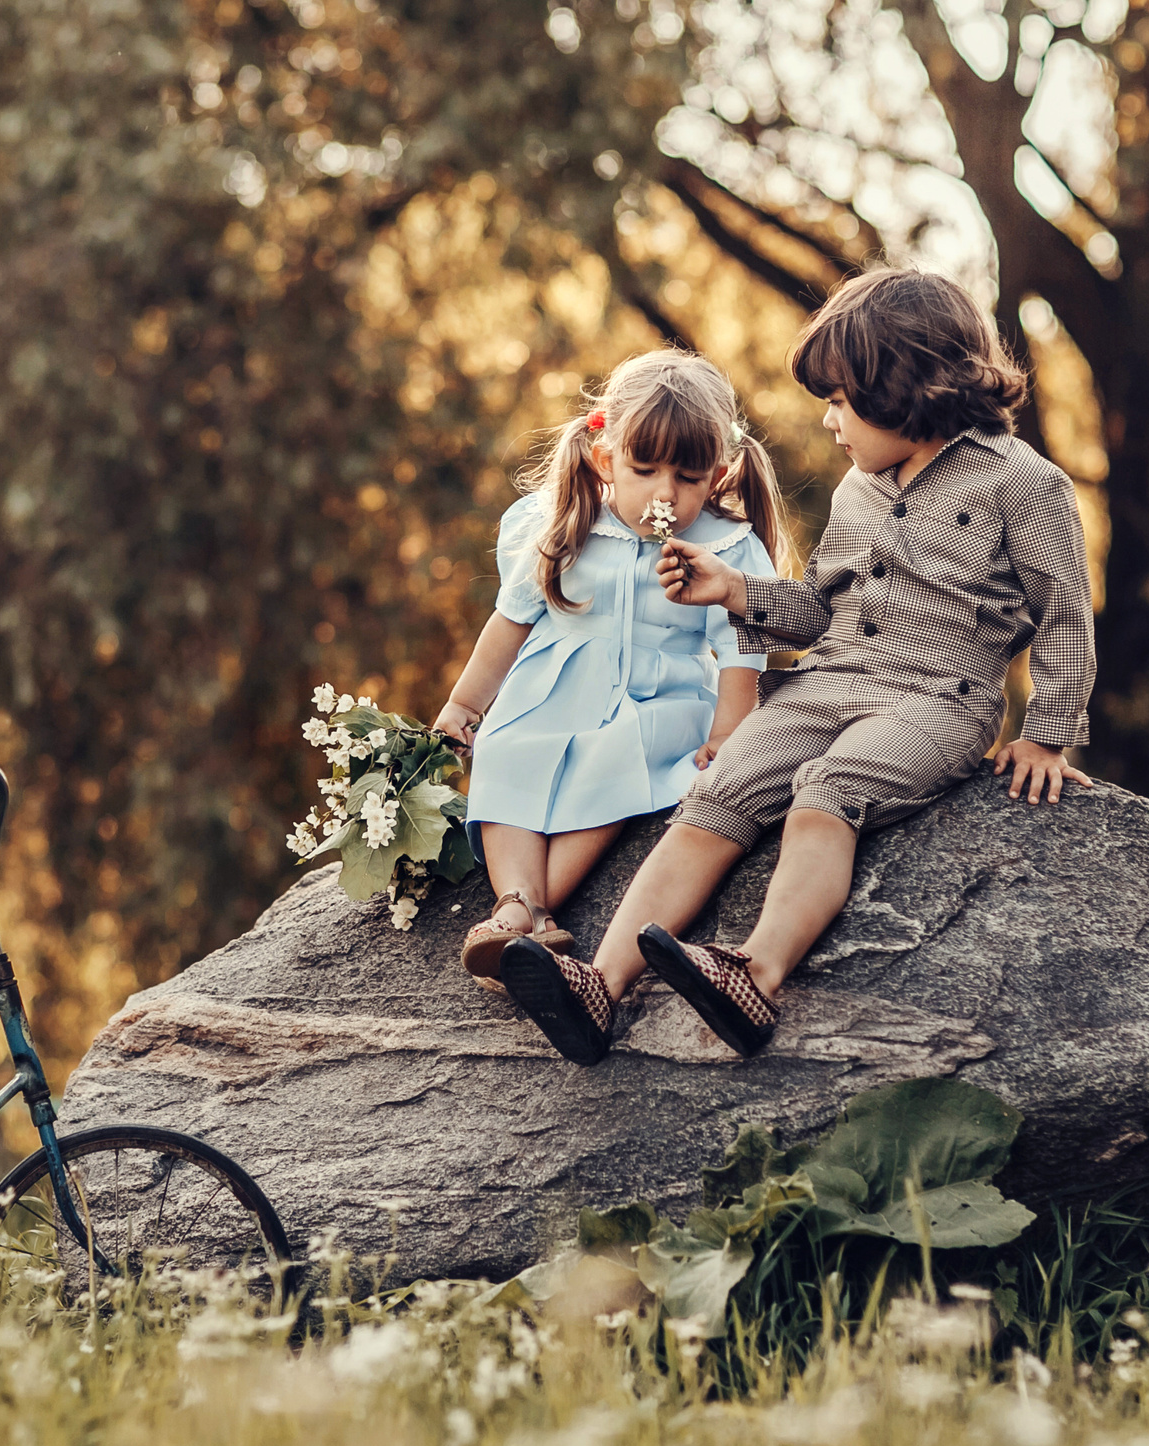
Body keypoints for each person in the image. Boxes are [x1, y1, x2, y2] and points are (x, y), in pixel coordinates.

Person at [494, 268, 1097, 1065]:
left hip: (936, 702)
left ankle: (756, 972)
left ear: (907, 388)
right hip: (829, 679)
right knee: (719, 790)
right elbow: (819, 606)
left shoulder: (1024, 483)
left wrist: (1047, 735)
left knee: (830, 788)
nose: (830, 418)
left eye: (844, 399)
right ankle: (598, 987)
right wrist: (736, 589)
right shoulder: (857, 489)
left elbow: (1066, 610)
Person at [432, 351, 785, 993]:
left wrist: (730, 730)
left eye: (687, 476)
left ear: (719, 475)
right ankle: (517, 906)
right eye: (643, 469)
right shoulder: (565, 521)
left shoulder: (727, 547)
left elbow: (741, 644)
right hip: (556, 683)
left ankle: (538, 909)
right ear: (605, 459)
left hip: (661, 697)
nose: (664, 493)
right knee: (509, 754)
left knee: (616, 772)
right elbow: (510, 621)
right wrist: (465, 704)